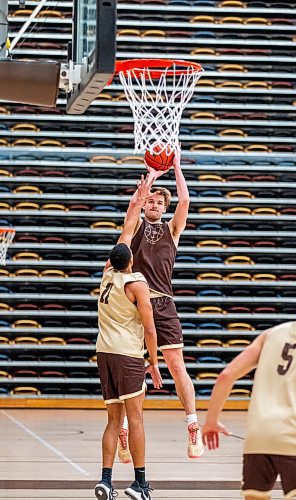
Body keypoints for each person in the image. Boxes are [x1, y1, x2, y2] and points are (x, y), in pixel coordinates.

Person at [107, 147, 204, 460]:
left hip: (164, 304)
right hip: (134, 305)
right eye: (151, 200)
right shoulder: (133, 227)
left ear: (165, 207)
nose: (154, 204)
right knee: (132, 373)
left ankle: (192, 424)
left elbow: (185, 201)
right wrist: (147, 182)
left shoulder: (172, 230)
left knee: (177, 366)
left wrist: (175, 166)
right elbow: (132, 211)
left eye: (160, 202)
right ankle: (122, 428)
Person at [202, 276, 296, 500]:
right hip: (294, 436)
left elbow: (226, 375)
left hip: (256, 438)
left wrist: (211, 421)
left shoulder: (271, 334)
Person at [95, 177, 163, 500]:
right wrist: (154, 362)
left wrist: (137, 199)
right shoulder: (137, 283)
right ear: (131, 259)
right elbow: (150, 329)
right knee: (135, 418)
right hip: (127, 355)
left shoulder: (107, 274)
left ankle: (105, 481)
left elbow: (126, 230)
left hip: (103, 352)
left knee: (113, 420)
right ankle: (140, 483)